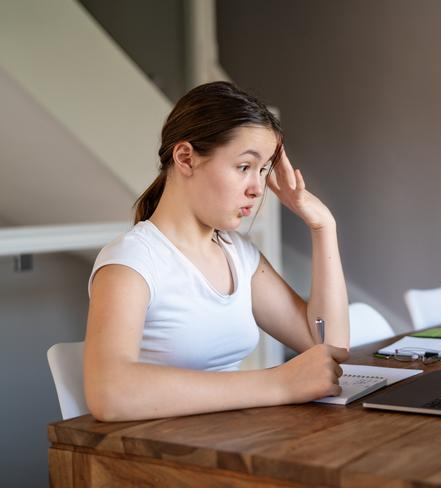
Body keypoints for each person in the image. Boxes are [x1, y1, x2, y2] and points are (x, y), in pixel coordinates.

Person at [84, 82, 350, 422]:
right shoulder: (132, 261)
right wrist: (278, 384)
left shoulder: (237, 253)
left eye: (264, 170)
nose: (257, 189)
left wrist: (324, 228)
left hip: (230, 441)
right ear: (185, 158)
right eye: (244, 167)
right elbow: (109, 392)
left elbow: (328, 343)